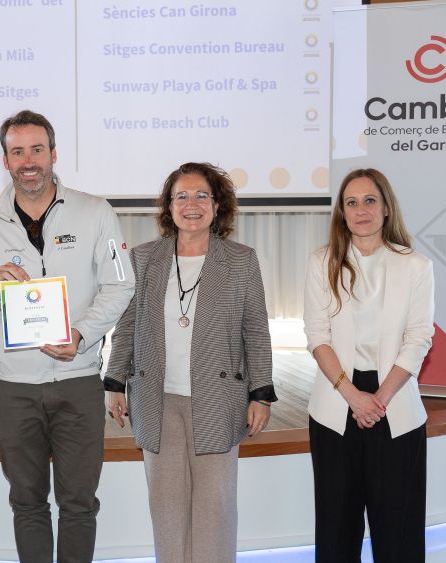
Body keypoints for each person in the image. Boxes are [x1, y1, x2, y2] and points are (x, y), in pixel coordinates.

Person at [0, 110, 135, 562]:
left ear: (54, 154)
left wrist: (81, 334)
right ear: (5, 160)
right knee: (27, 502)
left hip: (78, 380)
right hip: (13, 388)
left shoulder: (95, 212)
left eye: (37, 150)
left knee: (79, 503)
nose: (29, 161)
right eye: (18, 152)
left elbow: (122, 284)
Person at [104, 162, 276, 562]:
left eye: (201, 195)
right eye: (181, 196)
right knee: (167, 509)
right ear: (169, 206)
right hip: (156, 400)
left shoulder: (241, 260)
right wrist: (114, 382)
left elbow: (255, 329)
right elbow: (127, 326)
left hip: (218, 399)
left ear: (217, 206)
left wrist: (261, 394)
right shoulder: (144, 259)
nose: (191, 204)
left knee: (215, 510)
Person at [304, 168, 434, 562]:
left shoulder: (416, 266)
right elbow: (317, 336)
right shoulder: (322, 262)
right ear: (342, 213)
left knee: (399, 536)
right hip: (335, 407)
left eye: (370, 200)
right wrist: (353, 397)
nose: (361, 210)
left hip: (395, 406)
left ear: (386, 208)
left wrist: (378, 399)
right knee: (336, 534)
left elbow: (419, 338)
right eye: (352, 202)